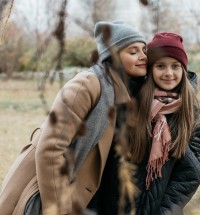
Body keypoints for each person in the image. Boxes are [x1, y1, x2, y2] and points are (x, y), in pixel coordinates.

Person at [0, 20, 147, 215]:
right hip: (42, 187)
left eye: (144, 50)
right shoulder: (88, 84)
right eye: (133, 51)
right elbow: (51, 147)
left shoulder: (124, 93)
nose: (143, 56)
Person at [89, 32, 200, 215]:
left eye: (175, 66)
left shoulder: (192, 111)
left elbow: (189, 173)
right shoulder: (130, 100)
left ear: (183, 69)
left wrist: (166, 211)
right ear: (150, 69)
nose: (168, 73)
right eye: (160, 66)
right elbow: (106, 159)